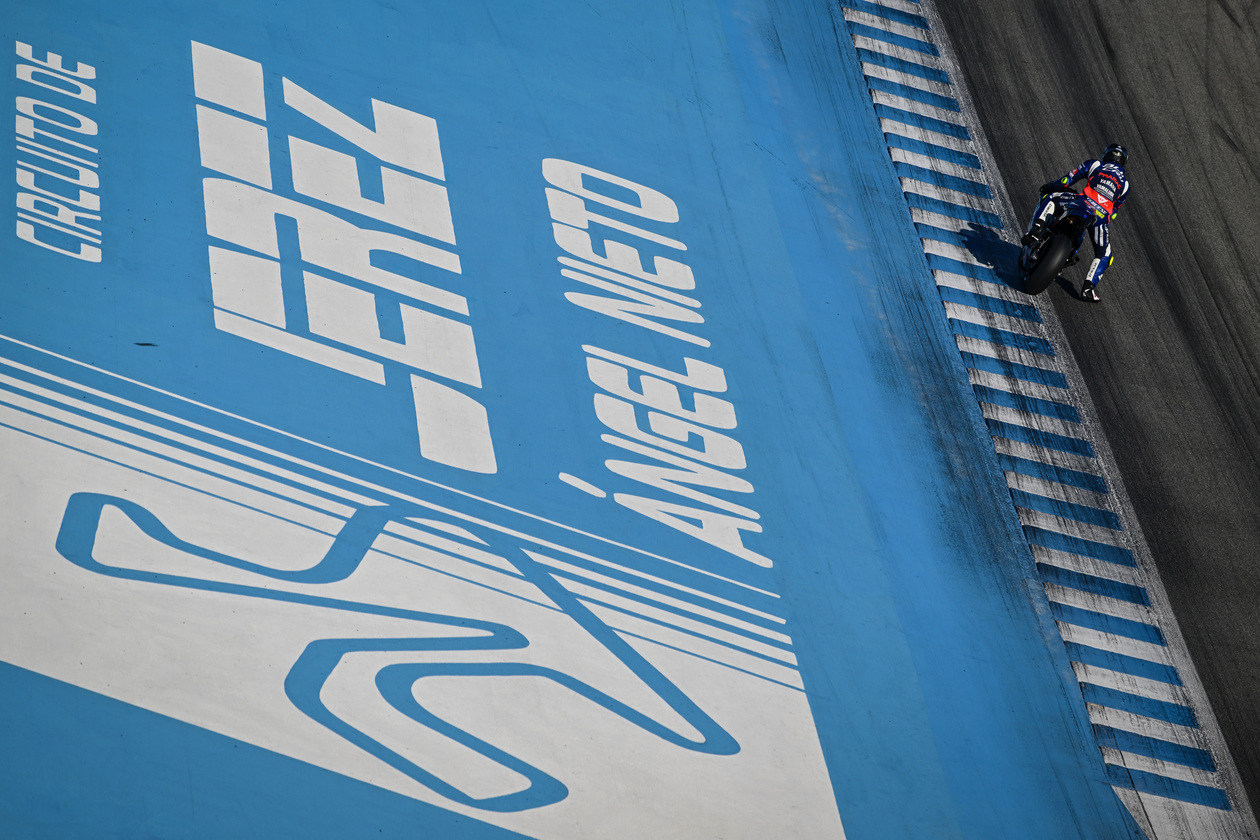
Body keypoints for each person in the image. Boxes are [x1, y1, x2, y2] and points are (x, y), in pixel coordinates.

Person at [1021, 143, 1130, 302]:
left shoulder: (1096, 164)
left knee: (1051, 197)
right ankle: (1088, 289)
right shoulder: (1125, 185)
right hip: (1100, 218)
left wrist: (1050, 186)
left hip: (1082, 202)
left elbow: (1066, 180)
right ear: (1124, 162)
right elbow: (1113, 213)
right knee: (1106, 254)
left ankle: (1035, 231)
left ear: (1106, 155)